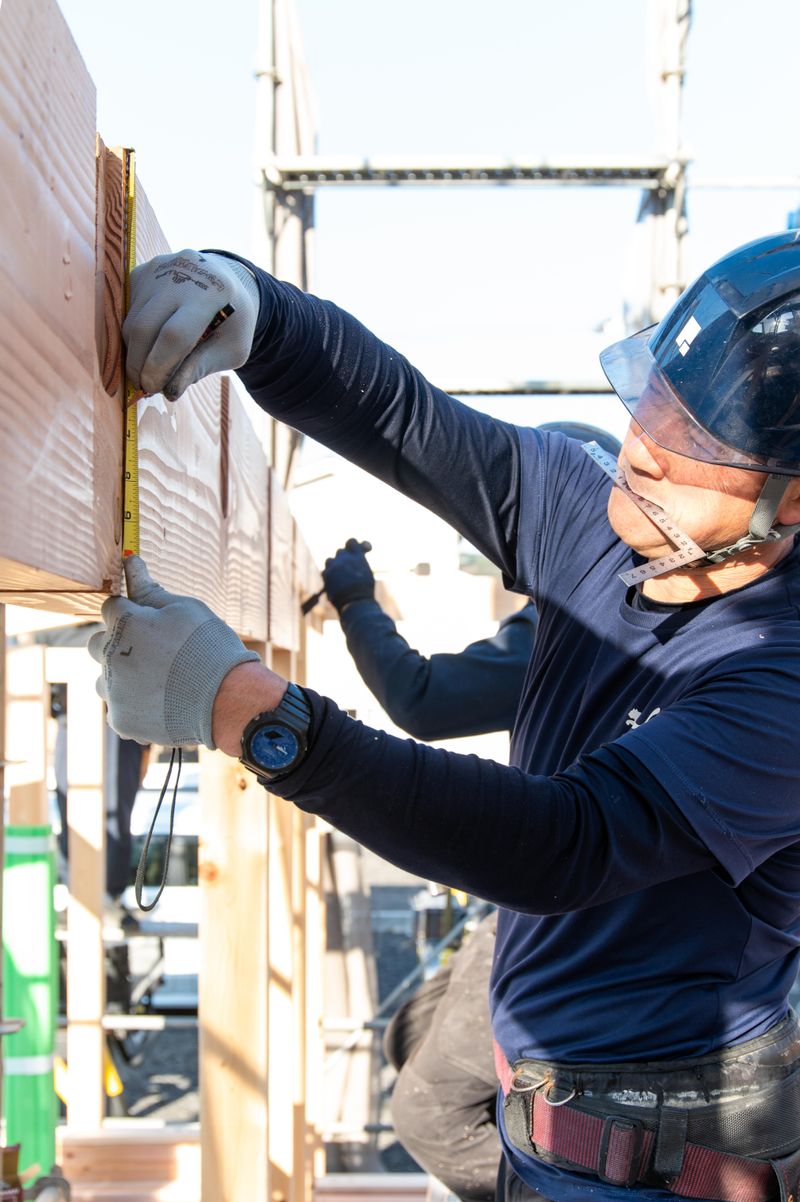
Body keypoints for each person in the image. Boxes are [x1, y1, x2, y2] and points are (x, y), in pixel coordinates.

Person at [90, 231, 800, 1202]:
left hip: (669, 1162)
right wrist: (255, 310)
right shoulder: (600, 523)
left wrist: (253, 713)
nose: (640, 443)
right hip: (542, 1132)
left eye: (693, 445)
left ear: (789, 500)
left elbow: (561, 842)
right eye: (653, 401)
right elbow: (408, 420)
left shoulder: (777, 676)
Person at [325, 422, 623, 1201]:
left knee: (427, 1113)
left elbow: (424, 699)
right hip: (565, 892)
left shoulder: (581, 614)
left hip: (571, 911)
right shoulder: (619, 599)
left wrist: (355, 600)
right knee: (413, 1030)